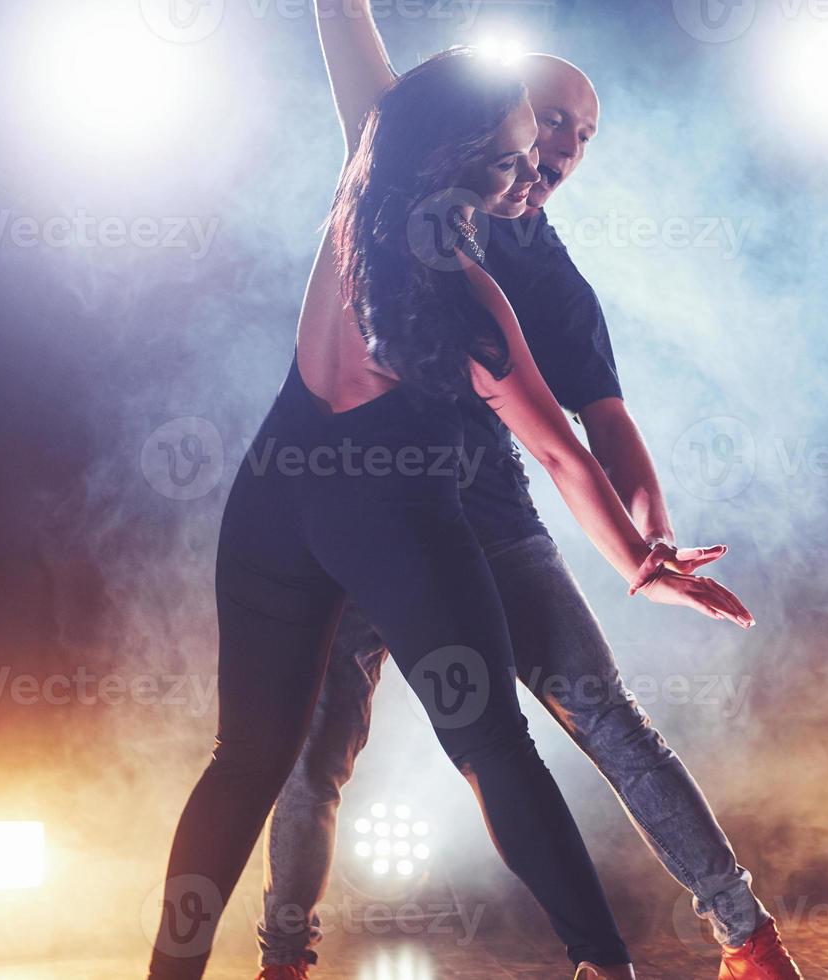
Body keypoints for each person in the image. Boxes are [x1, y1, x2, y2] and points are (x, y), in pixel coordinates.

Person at [146, 6, 755, 980]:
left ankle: (729, 936)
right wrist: (637, 559)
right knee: (417, 750)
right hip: (393, 514)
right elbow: (560, 447)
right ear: (480, 142)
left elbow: (594, 427)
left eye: (579, 138)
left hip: (345, 501)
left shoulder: (397, 188)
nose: (550, 159)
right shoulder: (470, 283)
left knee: (280, 757)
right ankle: (589, 960)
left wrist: (648, 541)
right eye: (537, 132)